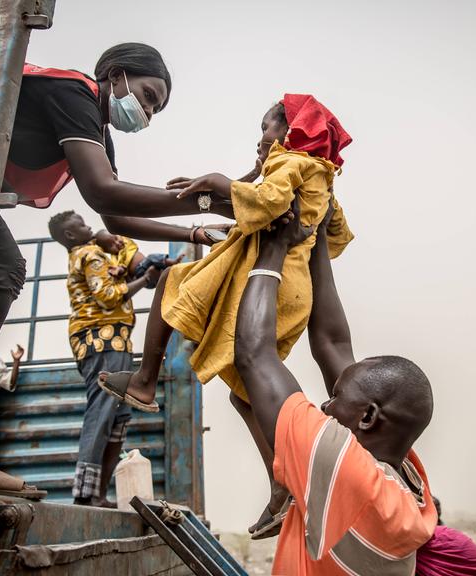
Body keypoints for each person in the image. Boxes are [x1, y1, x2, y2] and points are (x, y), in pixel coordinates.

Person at [0, 42, 235, 496]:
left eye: (156, 110)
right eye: (148, 97)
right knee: (3, 271)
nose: (147, 113)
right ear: (116, 74)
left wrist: (196, 232)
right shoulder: (74, 94)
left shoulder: (97, 132)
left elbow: (116, 220)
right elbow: (103, 194)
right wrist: (204, 198)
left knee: (4, 271)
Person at [98, 95, 354, 527]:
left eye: (267, 129)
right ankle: (282, 484)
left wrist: (219, 182)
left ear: (290, 134)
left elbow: (266, 204)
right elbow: (337, 234)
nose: (261, 139)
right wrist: (243, 181)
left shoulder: (291, 164)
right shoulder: (320, 177)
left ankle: (145, 381)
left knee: (169, 282)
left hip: (267, 283)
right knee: (246, 393)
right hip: (296, 291)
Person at [231, 200, 476, 574]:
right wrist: (317, 237)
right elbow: (333, 344)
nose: (325, 407)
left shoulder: (349, 474)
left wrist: (276, 246)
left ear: (370, 416)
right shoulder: (405, 477)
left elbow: (253, 355)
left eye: (335, 399)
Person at [49, 211, 168, 506]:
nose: (91, 227)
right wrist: (147, 280)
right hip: (101, 341)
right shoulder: (90, 254)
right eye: (83, 225)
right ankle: (87, 494)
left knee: (118, 417)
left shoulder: (92, 253)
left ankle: (98, 495)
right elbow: (108, 297)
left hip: (111, 340)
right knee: (103, 411)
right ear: (70, 236)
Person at [93, 228, 183, 287]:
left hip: (152, 266)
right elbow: (122, 272)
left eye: (116, 238)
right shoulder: (115, 260)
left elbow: (125, 227)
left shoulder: (126, 243)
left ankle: (174, 272)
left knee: (165, 271)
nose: (117, 243)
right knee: (151, 257)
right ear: (107, 251)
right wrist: (119, 271)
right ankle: (173, 261)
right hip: (140, 272)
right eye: (111, 245)